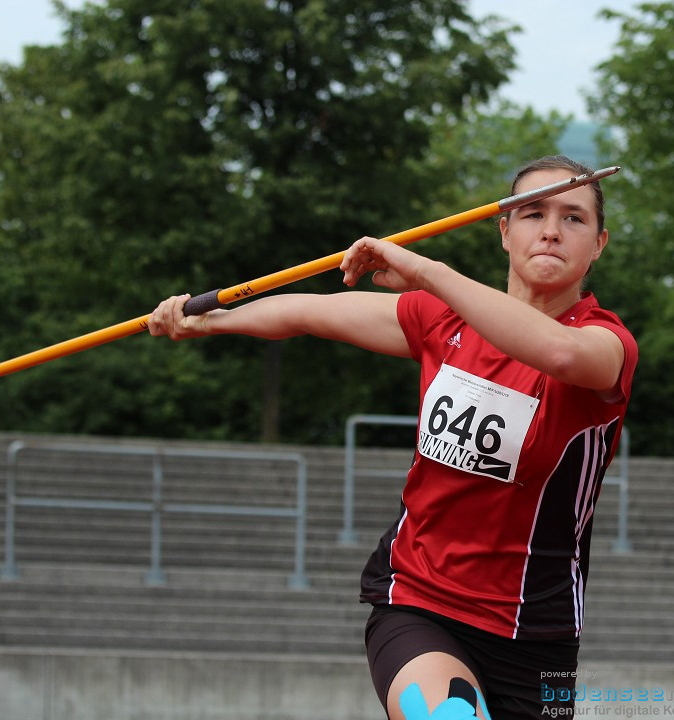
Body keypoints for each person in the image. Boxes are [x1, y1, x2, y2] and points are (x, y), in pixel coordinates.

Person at [148, 155, 638, 720]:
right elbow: (310, 311)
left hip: (538, 633)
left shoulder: (607, 345)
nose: (551, 229)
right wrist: (203, 319)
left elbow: (557, 352)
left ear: (598, 244)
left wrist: (429, 271)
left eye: (573, 218)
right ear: (504, 230)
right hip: (419, 602)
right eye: (532, 212)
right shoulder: (442, 322)